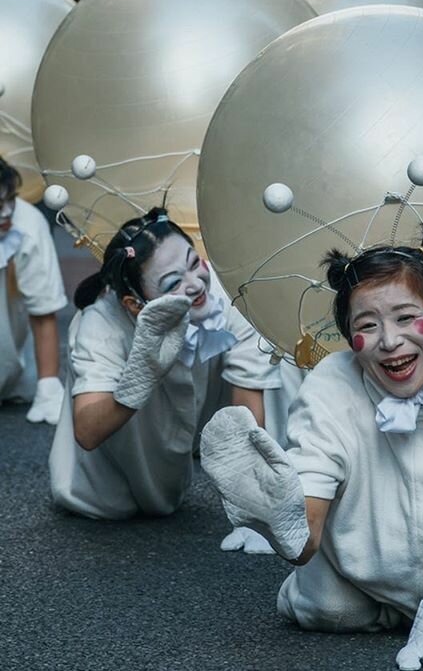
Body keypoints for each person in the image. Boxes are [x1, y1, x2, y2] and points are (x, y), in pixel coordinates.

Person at [200, 224, 423, 671]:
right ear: (348, 337)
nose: (389, 340)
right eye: (367, 325)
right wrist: (280, 517)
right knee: (328, 610)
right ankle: (380, 602)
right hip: (359, 561)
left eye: (405, 317)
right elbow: (312, 524)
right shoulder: (328, 382)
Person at [48, 207, 297, 525]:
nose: (195, 285)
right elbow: (87, 430)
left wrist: (257, 506)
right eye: (172, 283)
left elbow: (249, 408)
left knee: (280, 357)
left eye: (194, 264)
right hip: (102, 488)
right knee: (112, 501)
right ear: (134, 305)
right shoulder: (100, 325)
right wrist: (143, 372)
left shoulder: (226, 297)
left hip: (190, 422)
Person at [0, 157, 67, 423]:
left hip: (13, 372)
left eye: (10, 199)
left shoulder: (28, 223)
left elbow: (43, 312)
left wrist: (49, 389)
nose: (5, 213)